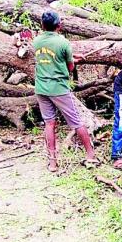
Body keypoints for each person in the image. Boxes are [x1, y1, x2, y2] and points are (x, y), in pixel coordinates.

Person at [33, 11, 98, 172]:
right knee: (76, 122)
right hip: (59, 89)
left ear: (42, 25)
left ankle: (53, 163)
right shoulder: (63, 42)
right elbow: (69, 67)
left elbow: (51, 57)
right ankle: (90, 155)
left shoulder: (37, 41)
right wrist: (72, 61)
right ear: (59, 26)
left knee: (49, 123)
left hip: (41, 88)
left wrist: (71, 56)